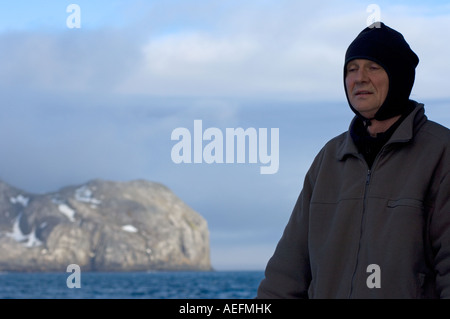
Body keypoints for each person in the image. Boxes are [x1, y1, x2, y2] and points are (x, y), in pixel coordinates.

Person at [256, 22, 450, 299]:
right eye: (351, 68)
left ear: (399, 76)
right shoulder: (329, 159)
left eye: (373, 67)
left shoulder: (441, 152)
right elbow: (287, 271)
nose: (359, 78)